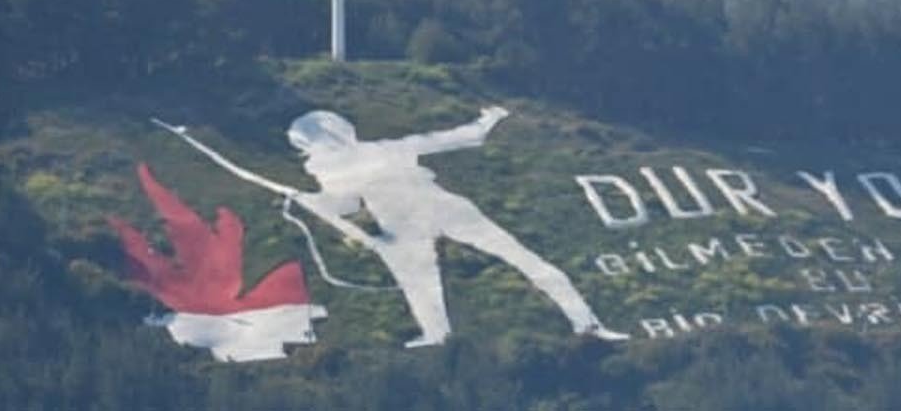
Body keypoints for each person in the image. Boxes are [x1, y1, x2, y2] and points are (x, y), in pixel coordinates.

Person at [169, 105, 623, 347]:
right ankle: (580, 324)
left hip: (417, 218)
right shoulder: (380, 151)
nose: (309, 156)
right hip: (425, 214)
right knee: (510, 267)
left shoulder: (336, 168)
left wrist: (315, 202)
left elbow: (346, 206)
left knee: (461, 278)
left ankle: (583, 324)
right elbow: (464, 137)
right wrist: (489, 119)